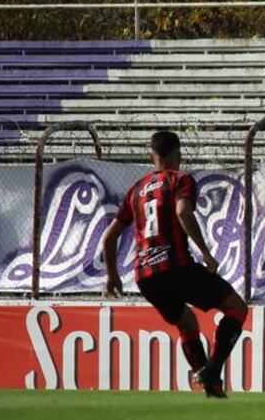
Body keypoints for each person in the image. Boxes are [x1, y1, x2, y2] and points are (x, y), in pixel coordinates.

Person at [101, 130, 248, 399]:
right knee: (236, 308)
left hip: (145, 275)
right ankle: (212, 371)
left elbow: (109, 238)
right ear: (178, 154)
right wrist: (205, 252)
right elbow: (182, 211)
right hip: (176, 266)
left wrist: (112, 275)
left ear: (151, 157)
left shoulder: (136, 189)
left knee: (188, 324)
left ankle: (212, 389)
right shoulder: (180, 179)